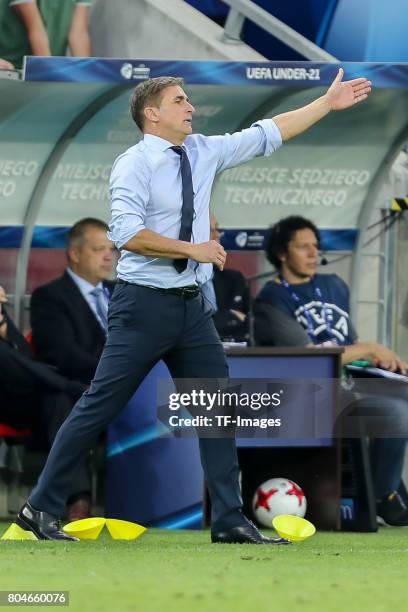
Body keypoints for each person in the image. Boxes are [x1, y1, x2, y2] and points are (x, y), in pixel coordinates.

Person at [16, 70, 372, 542]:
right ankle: (38, 510)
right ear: (152, 113)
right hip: (142, 307)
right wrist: (195, 249)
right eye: (180, 101)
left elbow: (270, 131)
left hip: (190, 309)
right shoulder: (133, 163)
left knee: (218, 410)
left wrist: (326, 103)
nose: (191, 108)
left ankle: (228, 519)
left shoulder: (203, 150)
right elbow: (126, 235)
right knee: (98, 405)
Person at [254, 215, 408, 526]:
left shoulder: (334, 285)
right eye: (303, 247)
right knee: (396, 414)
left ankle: (385, 489)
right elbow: (309, 358)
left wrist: (381, 361)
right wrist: (369, 348)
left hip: (350, 384)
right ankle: (382, 496)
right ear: (282, 253)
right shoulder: (271, 298)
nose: (314, 254)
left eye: (315, 246)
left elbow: (347, 343)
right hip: (308, 396)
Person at [29, 218, 115, 520]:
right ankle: (77, 499)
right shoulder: (49, 296)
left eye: (112, 249)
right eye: (99, 249)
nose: (108, 256)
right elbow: (62, 354)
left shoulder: (124, 293)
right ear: (75, 254)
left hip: (128, 389)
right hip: (79, 388)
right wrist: (117, 370)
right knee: (61, 398)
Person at [0, 285, 86, 434]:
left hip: (26, 396)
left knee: (57, 397)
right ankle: (66, 384)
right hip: (5, 401)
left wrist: (4, 332)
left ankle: (65, 456)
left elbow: (26, 356)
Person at [0, 1, 92, 70]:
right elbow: (35, 27)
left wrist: (85, 72)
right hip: (11, 65)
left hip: (49, 61)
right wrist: (49, 71)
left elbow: (78, 33)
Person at [201, 215, 249, 341]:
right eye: (210, 230)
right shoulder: (177, 283)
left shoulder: (234, 280)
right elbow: (187, 328)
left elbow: (253, 323)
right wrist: (229, 318)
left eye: (217, 229)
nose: (217, 235)